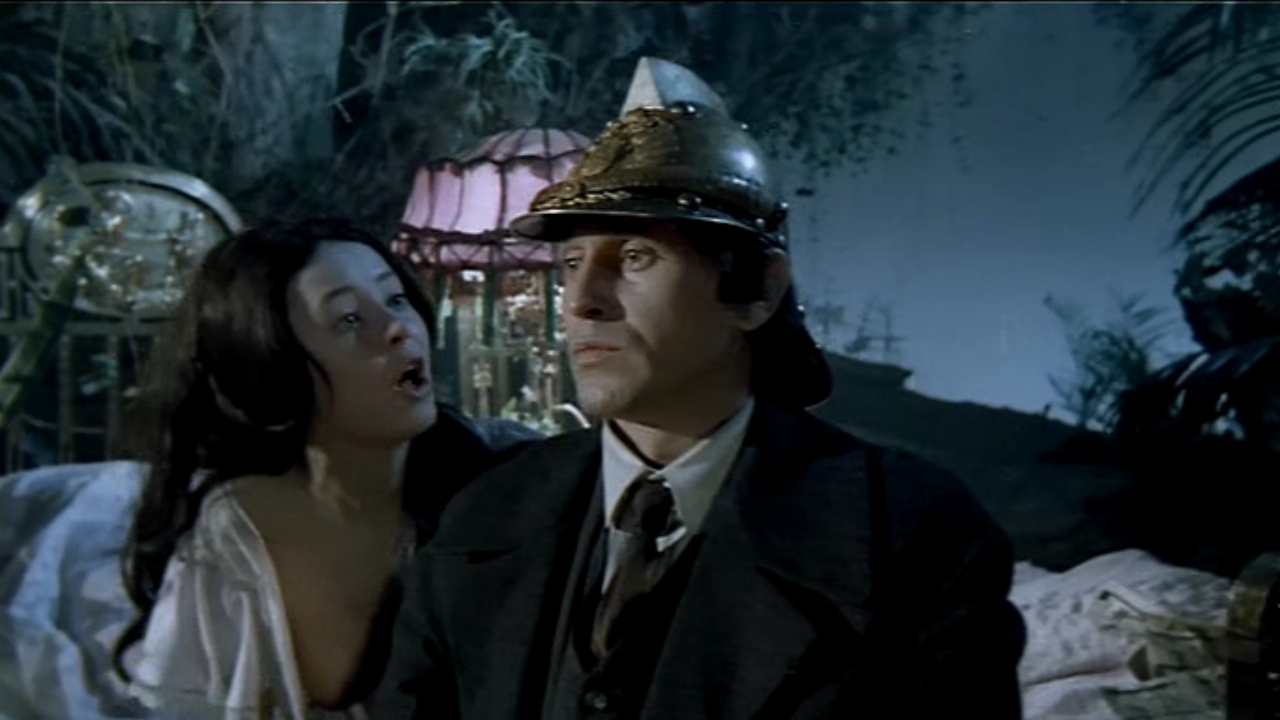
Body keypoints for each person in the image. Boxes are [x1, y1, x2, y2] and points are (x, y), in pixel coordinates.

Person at [373, 58, 1025, 719]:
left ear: (757, 289)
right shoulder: (489, 510)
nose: (580, 301)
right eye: (570, 263)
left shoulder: (908, 533)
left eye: (635, 257)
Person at [110, 217, 535, 719]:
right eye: (350, 319)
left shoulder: (510, 476)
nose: (397, 328)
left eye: (396, 299)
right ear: (271, 366)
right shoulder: (240, 528)